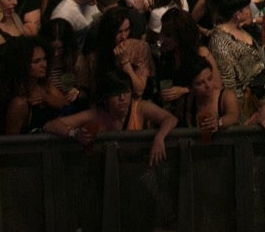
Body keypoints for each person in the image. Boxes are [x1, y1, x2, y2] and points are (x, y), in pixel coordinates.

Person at [44, 70, 176, 163]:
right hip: (107, 170)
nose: (122, 98)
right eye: (116, 94)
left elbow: (170, 118)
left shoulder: (140, 108)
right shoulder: (96, 114)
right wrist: (74, 133)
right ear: (106, 97)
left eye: (126, 92)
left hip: (137, 167)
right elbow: (50, 125)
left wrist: (159, 137)